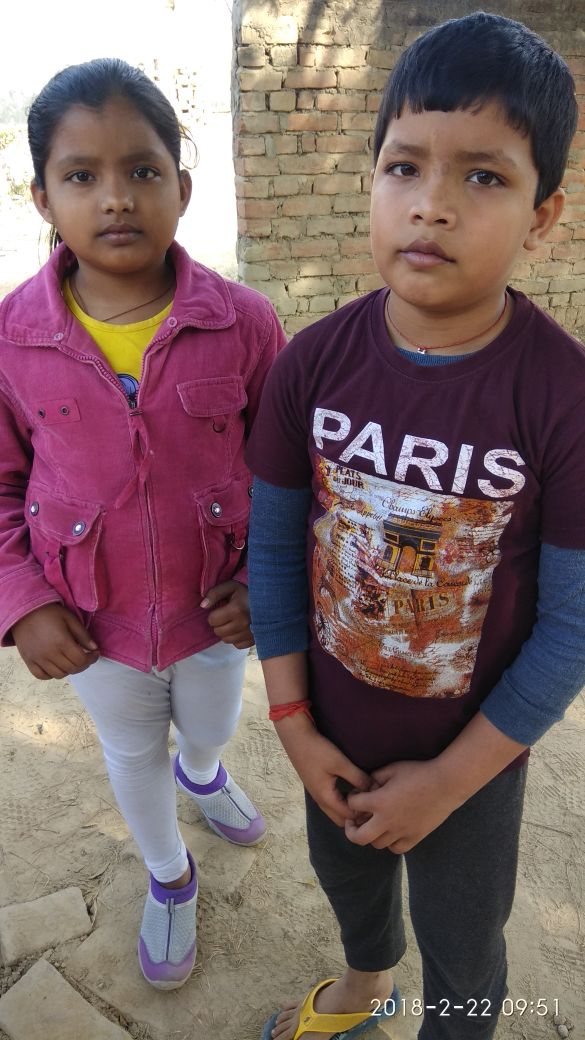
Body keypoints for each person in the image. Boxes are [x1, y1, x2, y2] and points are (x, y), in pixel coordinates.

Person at [246, 12, 585, 1040]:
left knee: (463, 939)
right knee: (346, 879)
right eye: (404, 166)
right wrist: (293, 723)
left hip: (471, 763)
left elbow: (570, 627)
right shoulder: (310, 365)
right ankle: (364, 984)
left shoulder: (562, 398)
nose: (431, 204)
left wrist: (446, 783)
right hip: (330, 731)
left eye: (482, 175)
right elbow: (274, 556)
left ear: (542, 215)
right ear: (371, 182)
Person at [0, 58, 285, 991]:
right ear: (43, 198)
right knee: (131, 750)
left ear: (182, 188)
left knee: (208, 724)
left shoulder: (245, 324)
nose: (115, 197)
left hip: (216, 611)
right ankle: (170, 873)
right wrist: (22, 601)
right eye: (82, 175)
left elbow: (288, 473)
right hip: (94, 622)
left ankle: (202, 773)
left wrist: (264, 582)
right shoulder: (10, 338)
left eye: (143, 170)